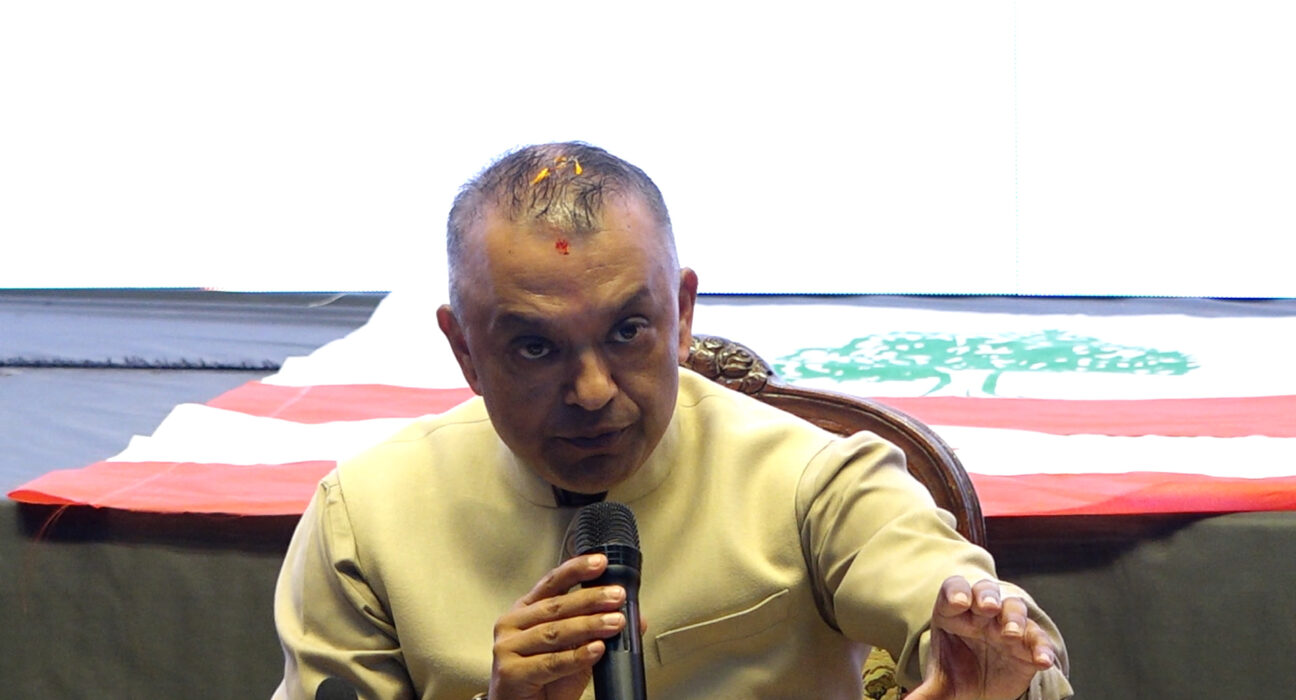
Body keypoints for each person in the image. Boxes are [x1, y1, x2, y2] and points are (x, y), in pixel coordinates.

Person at [272, 142, 1073, 699]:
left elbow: (976, 622)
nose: (592, 391)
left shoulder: (813, 480)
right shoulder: (364, 522)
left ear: (682, 315)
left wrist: (998, 678)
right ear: (465, 351)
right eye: (534, 347)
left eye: (628, 331)